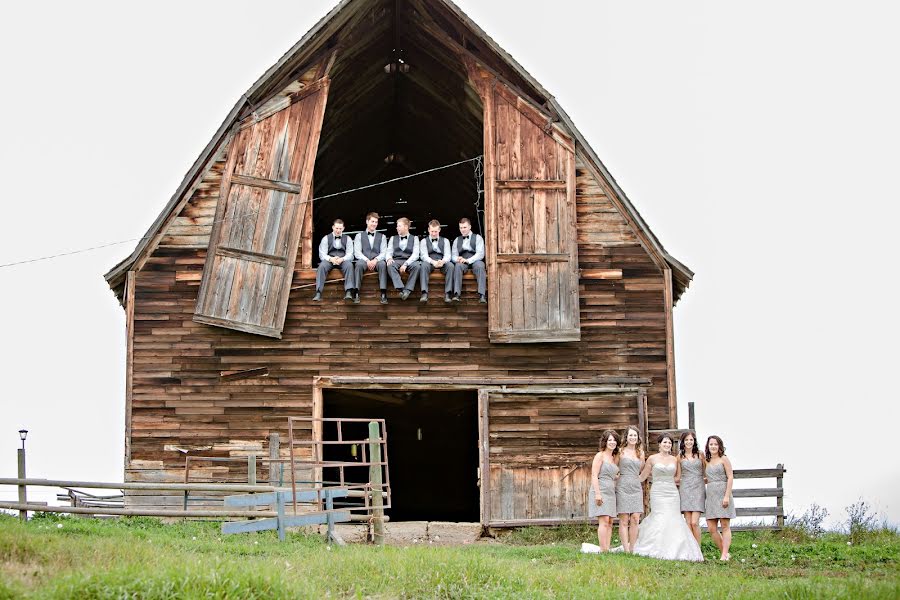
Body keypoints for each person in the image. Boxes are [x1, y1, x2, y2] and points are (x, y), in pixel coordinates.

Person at [630, 433, 704, 562]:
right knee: (659, 517)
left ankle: (677, 548)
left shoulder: (675, 459)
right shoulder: (652, 459)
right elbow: (642, 477)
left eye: (669, 443)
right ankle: (656, 547)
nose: (667, 445)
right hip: (658, 492)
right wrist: (628, 480)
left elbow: (677, 477)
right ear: (659, 444)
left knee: (674, 518)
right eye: (665, 442)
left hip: (672, 492)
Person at [588, 429, 620, 552]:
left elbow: (613, 474)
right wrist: (597, 494)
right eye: (609, 440)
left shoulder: (614, 458)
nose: (612, 442)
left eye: (614, 440)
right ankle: (603, 550)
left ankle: (607, 548)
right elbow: (594, 475)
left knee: (610, 521)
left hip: (611, 490)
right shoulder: (600, 455)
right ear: (605, 442)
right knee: (604, 520)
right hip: (600, 489)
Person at [705, 435, 735, 561]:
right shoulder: (706, 460)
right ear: (708, 446)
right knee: (711, 528)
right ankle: (725, 552)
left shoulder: (724, 459)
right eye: (711, 444)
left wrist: (727, 496)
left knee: (724, 525)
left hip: (723, 493)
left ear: (719, 446)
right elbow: (707, 478)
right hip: (711, 494)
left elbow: (730, 477)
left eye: (715, 444)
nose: (713, 446)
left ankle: (724, 555)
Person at [616, 425, 645, 553]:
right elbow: (614, 467)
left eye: (635, 435)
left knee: (635, 518)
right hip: (623, 485)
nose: (633, 437)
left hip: (636, 485)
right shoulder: (620, 451)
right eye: (630, 435)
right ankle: (626, 549)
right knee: (624, 519)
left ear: (638, 438)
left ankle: (633, 547)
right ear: (626, 437)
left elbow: (642, 469)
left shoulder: (640, 453)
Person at [313, 219, 355, 302]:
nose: (338, 230)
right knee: (322, 266)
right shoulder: (326, 238)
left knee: (350, 265)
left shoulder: (348, 239)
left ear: (343, 228)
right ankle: (318, 292)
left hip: (343, 260)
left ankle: (348, 291)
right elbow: (322, 254)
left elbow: (350, 254)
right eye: (336, 228)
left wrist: (342, 259)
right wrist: (330, 259)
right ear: (333, 227)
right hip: (330, 259)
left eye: (340, 228)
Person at [677, 430, 706, 547]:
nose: (689, 442)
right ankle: (690, 549)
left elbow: (707, 471)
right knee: (688, 522)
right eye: (687, 440)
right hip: (685, 488)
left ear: (694, 441)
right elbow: (678, 476)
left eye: (691, 440)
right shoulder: (679, 457)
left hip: (698, 488)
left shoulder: (700, 454)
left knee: (695, 522)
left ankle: (698, 549)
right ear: (683, 442)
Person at [353, 212, 388, 304]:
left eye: (376, 222)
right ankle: (356, 292)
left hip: (377, 260)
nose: (374, 224)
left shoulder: (382, 236)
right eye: (372, 221)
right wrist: (367, 260)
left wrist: (375, 260)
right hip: (364, 260)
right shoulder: (359, 236)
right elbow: (357, 252)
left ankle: (383, 293)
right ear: (367, 221)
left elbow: (384, 252)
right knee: (358, 264)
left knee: (383, 264)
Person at [451, 217, 486, 303]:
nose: (462, 230)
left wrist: (468, 260)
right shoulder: (456, 240)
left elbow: (480, 254)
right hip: (462, 260)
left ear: (470, 227)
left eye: (464, 227)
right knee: (458, 266)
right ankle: (457, 294)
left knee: (480, 266)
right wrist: (457, 259)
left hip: (475, 259)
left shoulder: (478, 237)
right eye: (461, 228)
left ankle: (482, 295)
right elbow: (453, 255)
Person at [384, 217, 420, 301]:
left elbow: (416, 255)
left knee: (417, 266)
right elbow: (388, 251)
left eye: (399, 226)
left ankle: (408, 290)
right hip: (396, 260)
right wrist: (389, 258)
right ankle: (402, 289)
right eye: (397, 226)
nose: (397, 228)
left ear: (406, 227)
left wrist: (406, 264)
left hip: (409, 260)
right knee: (390, 266)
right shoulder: (393, 238)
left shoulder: (415, 238)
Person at [418, 219, 453, 303]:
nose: (433, 233)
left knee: (451, 266)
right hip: (430, 262)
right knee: (423, 265)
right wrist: (433, 262)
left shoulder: (445, 241)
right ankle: (424, 293)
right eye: (432, 231)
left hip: (442, 261)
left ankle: (448, 293)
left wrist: (443, 261)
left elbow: (448, 255)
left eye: (436, 231)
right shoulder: (423, 241)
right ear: (428, 230)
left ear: (439, 230)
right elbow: (423, 256)